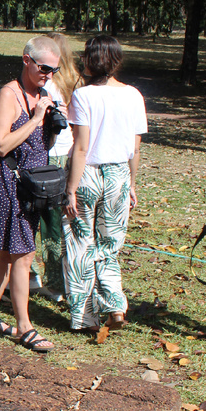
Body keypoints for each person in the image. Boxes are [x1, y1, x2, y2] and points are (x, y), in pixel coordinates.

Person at [0, 36, 58, 353]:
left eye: (54, 70)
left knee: (8, 253)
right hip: (7, 178)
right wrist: (35, 119)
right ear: (26, 60)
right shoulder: (9, 94)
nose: (48, 74)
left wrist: (52, 123)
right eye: (44, 68)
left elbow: (40, 145)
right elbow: (2, 144)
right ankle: (24, 326)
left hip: (31, 184)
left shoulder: (42, 94)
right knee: (23, 254)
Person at [62, 36, 145, 333]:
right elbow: (135, 149)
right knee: (110, 245)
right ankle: (114, 303)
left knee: (79, 243)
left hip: (87, 174)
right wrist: (132, 184)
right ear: (118, 61)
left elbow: (81, 148)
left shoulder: (83, 96)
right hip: (119, 175)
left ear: (88, 60)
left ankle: (84, 316)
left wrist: (70, 189)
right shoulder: (134, 95)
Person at [33, 32, 81, 303]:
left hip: (48, 159)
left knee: (47, 223)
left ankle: (54, 283)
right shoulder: (75, 83)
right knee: (60, 223)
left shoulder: (47, 86)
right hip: (67, 157)